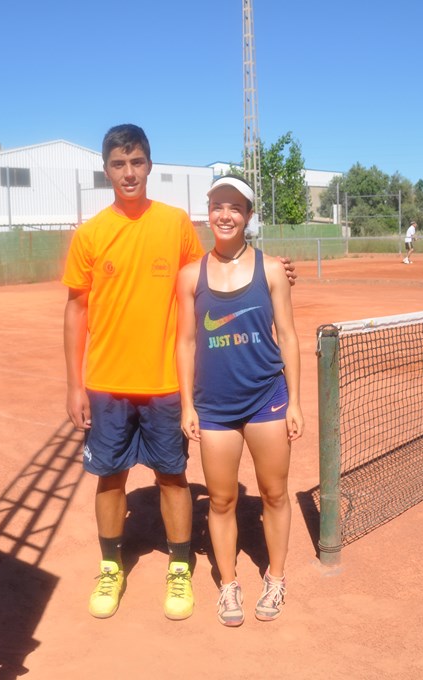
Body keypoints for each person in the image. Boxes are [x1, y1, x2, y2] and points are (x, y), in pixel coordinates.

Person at [63, 124, 205, 621]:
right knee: (109, 479)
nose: (129, 172)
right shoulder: (90, 234)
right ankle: (110, 566)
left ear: (149, 166)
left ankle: (180, 566)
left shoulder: (175, 223)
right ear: (106, 170)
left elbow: (205, 282)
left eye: (137, 162)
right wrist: (74, 385)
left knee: (173, 476)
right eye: (119, 164)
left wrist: (271, 269)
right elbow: (76, 310)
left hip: (166, 383)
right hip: (106, 385)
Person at [175, 175, 303, 627]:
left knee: (274, 493)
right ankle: (228, 584)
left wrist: (295, 402)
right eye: (217, 206)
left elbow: (288, 335)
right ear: (208, 212)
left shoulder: (272, 270)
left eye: (235, 207)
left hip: (267, 398)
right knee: (222, 500)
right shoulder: (190, 276)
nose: (225, 215)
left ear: (248, 216)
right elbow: (185, 342)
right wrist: (187, 405)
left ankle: (276, 577)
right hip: (214, 408)